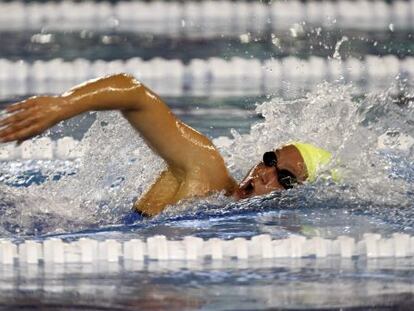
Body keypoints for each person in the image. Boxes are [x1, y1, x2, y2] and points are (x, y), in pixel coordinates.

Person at [0, 74, 332, 216]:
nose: (264, 175)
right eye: (270, 160)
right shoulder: (207, 171)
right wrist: (63, 105)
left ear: (297, 198)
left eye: (283, 179)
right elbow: (134, 93)